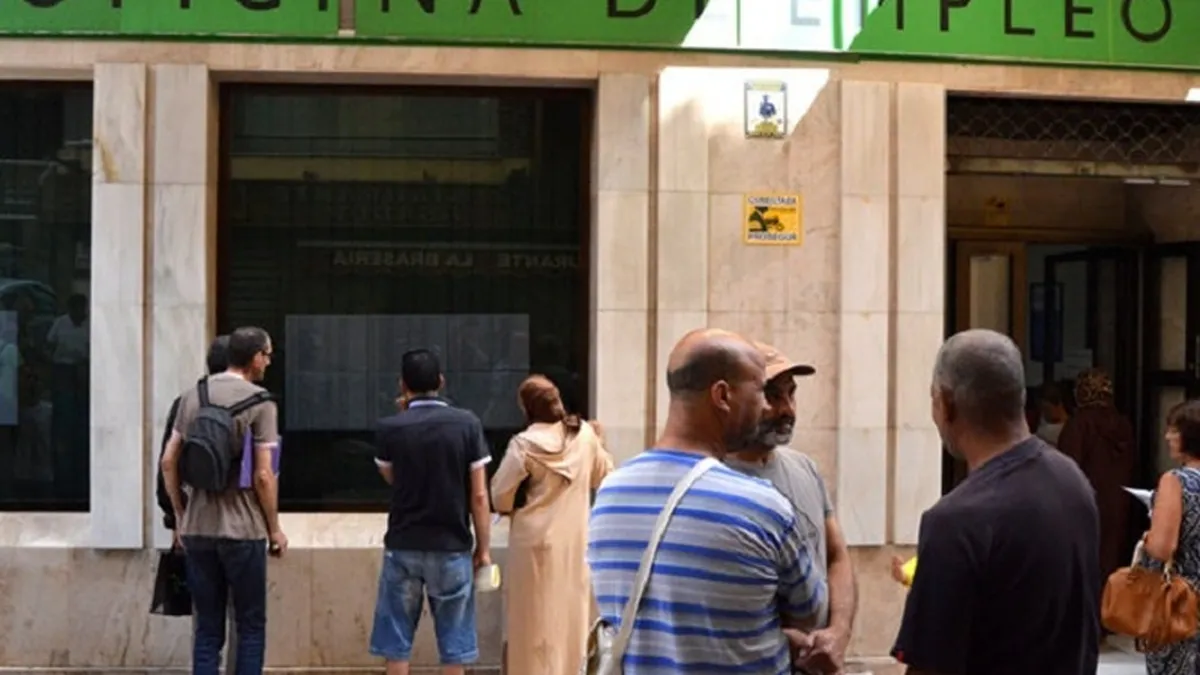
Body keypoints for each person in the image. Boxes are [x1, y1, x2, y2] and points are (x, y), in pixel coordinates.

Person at [588, 328, 826, 674]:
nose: (765, 406)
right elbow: (810, 612)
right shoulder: (763, 507)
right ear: (722, 395)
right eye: (760, 391)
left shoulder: (610, 493)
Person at [892, 329, 1100, 675]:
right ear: (1019, 397)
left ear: (946, 402)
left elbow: (930, 665)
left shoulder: (955, 521)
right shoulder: (1073, 482)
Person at [725, 342, 856, 674]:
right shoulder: (713, 482)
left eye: (791, 394)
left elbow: (837, 555)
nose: (788, 409)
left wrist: (838, 633)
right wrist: (783, 641)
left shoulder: (805, 469)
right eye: (773, 396)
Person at [161, 326, 285, 675]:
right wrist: (274, 529)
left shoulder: (193, 396)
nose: (269, 361)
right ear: (255, 358)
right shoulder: (261, 403)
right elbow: (264, 475)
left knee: (207, 627)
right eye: (267, 355)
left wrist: (181, 514)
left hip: (198, 527)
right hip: (243, 528)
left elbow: (168, 461)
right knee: (250, 625)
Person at [370, 349, 492, 675]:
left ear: (402, 384)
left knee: (396, 640)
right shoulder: (467, 424)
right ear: (441, 381)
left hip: (403, 543)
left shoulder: (390, 427)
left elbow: (393, 478)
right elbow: (479, 495)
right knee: (454, 644)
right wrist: (483, 548)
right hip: (452, 544)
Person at [490, 375, 613, 675]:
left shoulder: (524, 444)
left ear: (527, 407)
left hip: (531, 546)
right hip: (574, 542)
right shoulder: (583, 435)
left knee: (532, 622)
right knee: (570, 619)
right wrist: (598, 442)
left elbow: (500, 495)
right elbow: (605, 475)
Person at [1057, 368, 1137, 586]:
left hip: (1085, 503)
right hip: (1119, 502)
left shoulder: (1079, 424)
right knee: (1109, 559)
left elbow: (1067, 468)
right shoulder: (1123, 424)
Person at [1143, 399, 1200, 675]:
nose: (1167, 437)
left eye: (1174, 430)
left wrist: (1148, 538)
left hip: (1181, 602)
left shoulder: (1175, 481)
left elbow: (1162, 547)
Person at [157, 335, 230, 531]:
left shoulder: (188, 400)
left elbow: (168, 461)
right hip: (238, 520)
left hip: (193, 515)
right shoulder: (251, 402)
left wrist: (176, 514)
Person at [1035, 381, 1069, 447]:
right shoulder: (1042, 421)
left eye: (1046, 409)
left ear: (1059, 404)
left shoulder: (1070, 429)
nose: (1043, 413)